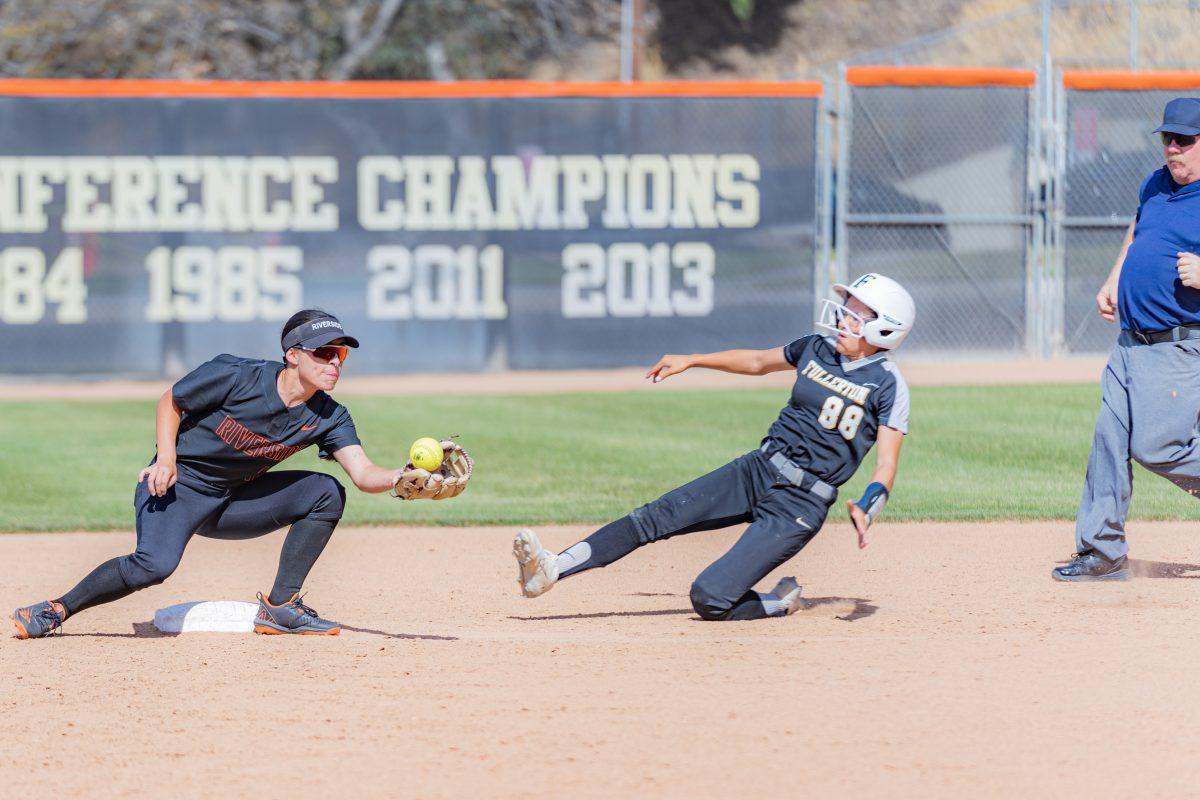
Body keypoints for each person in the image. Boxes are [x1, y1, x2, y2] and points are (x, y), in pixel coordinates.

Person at [12, 309, 469, 639]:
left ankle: (282, 607)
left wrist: (403, 477)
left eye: (341, 356)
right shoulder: (237, 376)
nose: (335, 363)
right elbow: (171, 400)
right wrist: (166, 459)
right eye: (325, 352)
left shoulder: (329, 416)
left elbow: (363, 473)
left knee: (325, 492)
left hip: (234, 502)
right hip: (176, 487)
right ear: (293, 355)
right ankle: (56, 609)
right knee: (154, 565)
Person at [513, 273, 915, 621]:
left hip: (800, 505)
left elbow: (886, 466)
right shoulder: (816, 348)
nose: (843, 318)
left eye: (856, 314)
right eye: (846, 308)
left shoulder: (888, 384)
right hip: (758, 468)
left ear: (885, 328)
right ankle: (551, 568)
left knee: (709, 598)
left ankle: (778, 602)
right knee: (656, 516)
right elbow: (758, 362)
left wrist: (868, 506)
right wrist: (693, 359)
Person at [1054, 98, 1200, 581]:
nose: (1173, 149)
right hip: (1130, 341)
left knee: (1160, 447)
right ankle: (1102, 550)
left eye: (1185, 140)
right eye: (1168, 139)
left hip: (1178, 346)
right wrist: (1115, 276)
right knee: (1108, 438)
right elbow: (1137, 231)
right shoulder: (1155, 184)